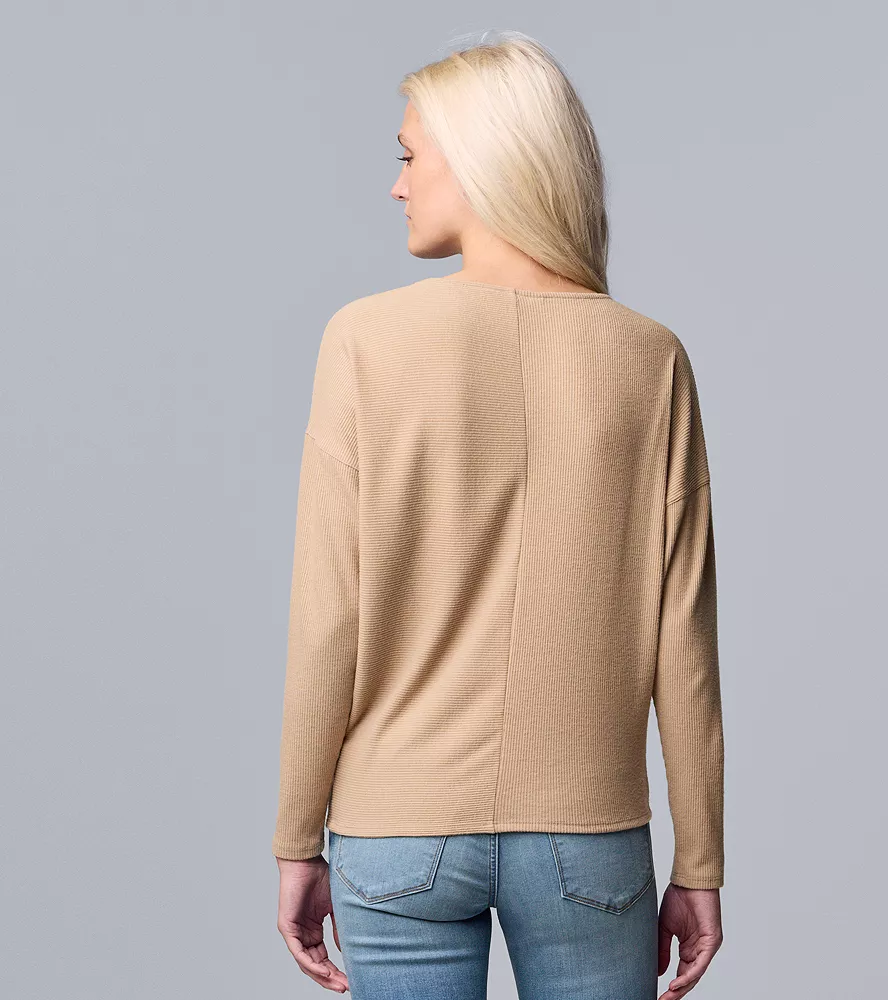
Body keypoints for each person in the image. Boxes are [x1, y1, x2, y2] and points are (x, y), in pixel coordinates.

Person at [272, 30, 725, 1000]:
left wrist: (296, 835)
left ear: (480, 159)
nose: (396, 185)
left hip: (396, 825)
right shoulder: (650, 358)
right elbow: (682, 642)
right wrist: (700, 861)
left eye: (408, 156)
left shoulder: (363, 341)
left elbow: (328, 620)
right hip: (588, 830)